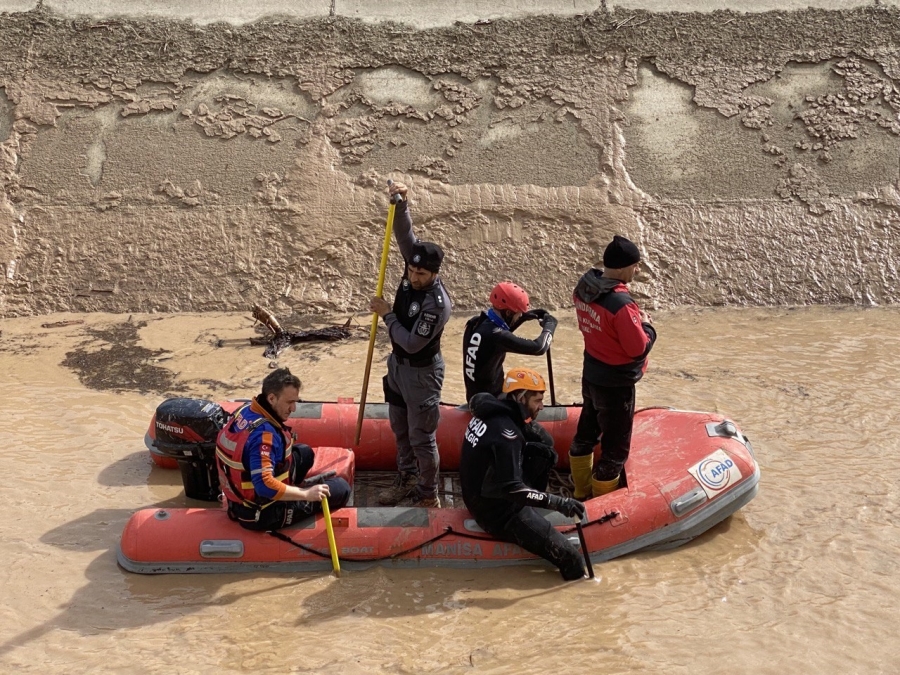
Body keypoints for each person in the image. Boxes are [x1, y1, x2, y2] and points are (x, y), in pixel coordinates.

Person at [460, 367, 587, 581]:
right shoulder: (507, 437)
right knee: (572, 559)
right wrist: (557, 502)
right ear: (520, 397)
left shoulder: (490, 408)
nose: (542, 406)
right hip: (499, 513)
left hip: (482, 488)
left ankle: (535, 502)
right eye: (537, 400)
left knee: (544, 449)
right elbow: (512, 490)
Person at [370, 181, 452, 508]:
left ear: (433, 273)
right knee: (399, 429)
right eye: (411, 270)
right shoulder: (410, 267)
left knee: (422, 438)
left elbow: (412, 341)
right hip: (397, 368)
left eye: (420, 274)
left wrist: (387, 314)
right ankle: (405, 479)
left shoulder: (437, 304)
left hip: (422, 373)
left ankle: (428, 494)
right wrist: (401, 203)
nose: (413, 277)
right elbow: (404, 236)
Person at [569, 235, 657, 499]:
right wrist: (647, 326)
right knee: (615, 451)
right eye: (635, 265)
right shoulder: (621, 305)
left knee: (586, 433)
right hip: (616, 385)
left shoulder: (583, 289)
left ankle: (580, 491)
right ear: (622, 267)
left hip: (592, 373)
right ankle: (600, 507)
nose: (638, 270)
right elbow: (637, 348)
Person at [215, 368, 351, 530]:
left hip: (239, 495)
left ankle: (290, 490)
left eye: (295, 402)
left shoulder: (245, 411)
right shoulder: (263, 436)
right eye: (289, 402)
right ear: (271, 398)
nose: (293, 408)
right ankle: (291, 499)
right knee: (341, 488)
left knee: (304, 453)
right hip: (261, 511)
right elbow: (264, 485)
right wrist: (306, 494)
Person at [462, 281, 558, 402]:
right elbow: (539, 347)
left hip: (475, 397)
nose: (519, 316)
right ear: (508, 313)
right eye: (518, 314)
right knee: (530, 396)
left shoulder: (476, 323)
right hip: (491, 402)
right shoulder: (496, 336)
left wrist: (525, 316)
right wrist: (550, 326)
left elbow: (502, 332)